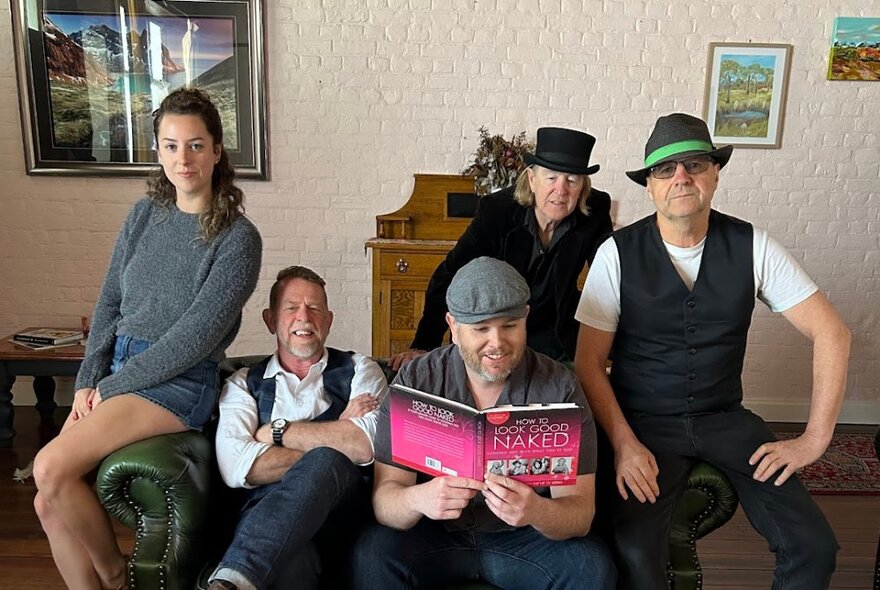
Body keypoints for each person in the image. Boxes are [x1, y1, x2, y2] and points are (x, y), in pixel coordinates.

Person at [573, 113, 851, 589]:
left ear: (715, 173)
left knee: (813, 546)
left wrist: (814, 439)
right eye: (665, 170)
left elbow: (833, 334)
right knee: (635, 555)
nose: (681, 177)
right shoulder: (616, 253)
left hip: (725, 418)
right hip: (644, 423)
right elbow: (588, 364)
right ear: (650, 185)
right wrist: (622, 442)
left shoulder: (753, 245)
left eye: (695, 164)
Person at [32, 87, 262, 590]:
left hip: (178, 382)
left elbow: (194, 339)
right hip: (119, 368)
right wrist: (87, 381)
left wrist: (109, 390)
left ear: (217, 151)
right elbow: (109, 302)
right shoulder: (143, 216)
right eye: (172, 145)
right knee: (46, 500)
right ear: (158, 150)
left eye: (197, 145)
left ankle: (115, 576)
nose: (184, 158)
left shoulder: (238, 239)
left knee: (48, 466)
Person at [354, 256, 616, 590]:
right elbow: (385, 500)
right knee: (372, 555)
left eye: (509, 326)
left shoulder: (560, 386)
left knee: (590, 567)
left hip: (525, 539)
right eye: (480, 329)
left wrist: (535, 511)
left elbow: (580, 512)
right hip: (435, 536)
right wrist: (419, 499)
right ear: (453, 325)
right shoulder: (417, 379)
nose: (497, 343)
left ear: (526, 319)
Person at [208, 266, 388, 590]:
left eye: (315, 308)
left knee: (326, 462)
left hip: (344, 515)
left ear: (329, 320)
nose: (304, 317)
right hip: (265, 518)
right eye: (291, 308)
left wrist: (273, 433)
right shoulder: (243, 382)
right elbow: (237, 467)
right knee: (291, 562)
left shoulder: (361, 369)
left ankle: (232, 580)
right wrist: (339, 432)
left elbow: (368, 444)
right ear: (270, 319)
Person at [390, 127, 613, 369]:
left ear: (583, 186)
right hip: (499, 334)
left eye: (572, 180)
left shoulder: (595, 209)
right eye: (551, 178)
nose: (561, 190)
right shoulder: (497, 211)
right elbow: (450, 275)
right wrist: (424, 344)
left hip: (556, 336)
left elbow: (609, 278)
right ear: (532, 179)